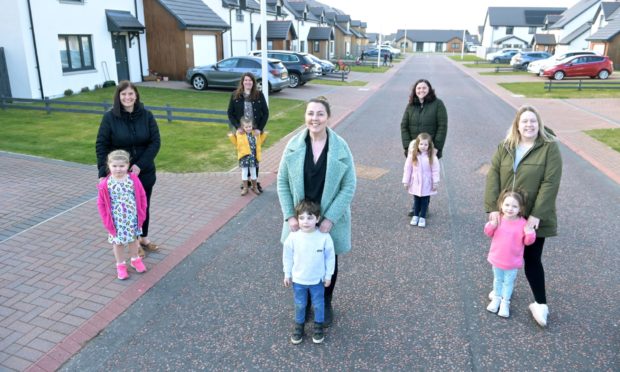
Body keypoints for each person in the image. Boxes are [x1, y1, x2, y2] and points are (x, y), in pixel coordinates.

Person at [277, 96, 356, 328]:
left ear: (328, 117)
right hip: (300, 218)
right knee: (303, 259)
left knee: (327, 259)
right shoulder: (293, 145)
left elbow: (349, 185)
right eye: (311, 113)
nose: (315, 118)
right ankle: (308, 302)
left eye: (320, 114)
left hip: (329, 218)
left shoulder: (341, 147)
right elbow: (282, 182)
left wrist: (330, 218)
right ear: (305, 116)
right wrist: (290, 216)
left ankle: (325, 301)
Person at [484, 105, 562, 327]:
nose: (529, 125)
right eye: (524, 121)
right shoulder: (506, 146)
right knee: (503, 253)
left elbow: (551, 182)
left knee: (532, 259)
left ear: (539, 123)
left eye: (533, 121)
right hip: (508, 213)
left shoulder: (549, 147)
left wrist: (536, 215)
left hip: (534, 216)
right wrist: (492, 209)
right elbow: (493, 177)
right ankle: (500, 289)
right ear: (517, 125)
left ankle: (540, 303)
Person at [96, 81, 161, 257]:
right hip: (120, 176)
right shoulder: (110, 118)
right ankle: (134, 244)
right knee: (126, 209)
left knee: (143, 206)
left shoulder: (146, 116)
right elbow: (101, 145)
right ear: (118, 97)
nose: (127, 97)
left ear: (136, 95)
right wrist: (103, 173)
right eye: (123, 94)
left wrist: (140, 165)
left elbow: (155, 142)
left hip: (144, 172)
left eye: (131, 94)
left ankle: (143, 238)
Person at [283, 200, 335, 344]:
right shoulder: (293, 237)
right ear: (297, 218)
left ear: (318, 219)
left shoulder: (324, 237)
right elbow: (287, 256)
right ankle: (299, 326)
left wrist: (328, 276)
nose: (305, 221)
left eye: (310, 217)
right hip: (299, 280)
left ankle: (318, 326)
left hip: (317, 281)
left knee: (319, 304)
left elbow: (330, 258)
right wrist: (287, 274)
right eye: (301, 217)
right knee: (300, 304)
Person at [97, 150, 148, 280]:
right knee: (118, 243)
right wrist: (106, 221)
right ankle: (120, 265)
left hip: (132, 218)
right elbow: (101, 204)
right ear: (108, 166)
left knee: (133, 240)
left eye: (122, 166)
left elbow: (142, 196)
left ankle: (135, 259)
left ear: (128, 165)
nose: (118, 169)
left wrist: (141, 213)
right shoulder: (105, 184)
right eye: (114, 166)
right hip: (116, 221)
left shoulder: (133, 179)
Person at [484, 190, 536, 318]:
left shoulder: (523, 223)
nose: (510, 209)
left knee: (508, 282)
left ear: (520, 208)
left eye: (514, 206)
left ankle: (505, 302)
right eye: (507, 205)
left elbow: (528, 241)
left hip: (512, 261)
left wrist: (529, 232)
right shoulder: (498, 219)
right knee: (497, 279)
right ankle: (496, 298)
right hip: (497, 258)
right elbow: (488, 232)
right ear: (501, 204)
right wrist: (492, 225)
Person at [400, 79, 448, 217]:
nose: (421, 90)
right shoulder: (411, 106)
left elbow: (442, 126)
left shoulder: (438, 104)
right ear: (415, 90)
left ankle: (423, 206)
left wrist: (437, 147)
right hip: (414, 150)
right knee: (415, 176)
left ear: (429, 89)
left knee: (427, 176)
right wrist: (407, 145)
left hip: (430, 150)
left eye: (424, 88)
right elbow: (404, 125)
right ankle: (416, 205)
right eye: (418, 88)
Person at [227, 72, 269, 192]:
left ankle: (254, 182)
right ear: (242, 82)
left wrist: (259, 129)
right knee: (244, 156)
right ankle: (246, 182)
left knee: (255, 157)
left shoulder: (259, 95)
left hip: (255, 131)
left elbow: (265, 113)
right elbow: (230, 113)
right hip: (242, 133)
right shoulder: (235, 95)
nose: (248, 82)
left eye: (250, 80)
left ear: (253, 82)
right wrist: (237, 127)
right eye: (246, 80)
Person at [402, 133, 440, 227]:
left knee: (425, 200)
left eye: (426, 144)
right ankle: (415, 215)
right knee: (416, 199)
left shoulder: (432, 157)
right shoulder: (413, 155)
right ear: (417, 144)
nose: (423, 146)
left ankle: (422, 217)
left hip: (427, 182)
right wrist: (406, 181)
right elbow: (408, 169)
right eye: (421, 144)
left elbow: (435, 170)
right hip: (416, 182)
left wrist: (435, 182)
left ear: (429, 145)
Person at [228, 117, 267, 195]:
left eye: (250, 126)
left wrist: (264, 135)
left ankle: (254, 187)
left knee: (253, 172)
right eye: (246, 127)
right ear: (242, 127)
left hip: (253, 157)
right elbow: (236, 144)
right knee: (244, 172)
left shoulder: (255, 134)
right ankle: (245, 188)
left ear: (252, 126)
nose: (248, 128)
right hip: (244, 157)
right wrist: (231, 137)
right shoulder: (240, 134)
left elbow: (259, 143)